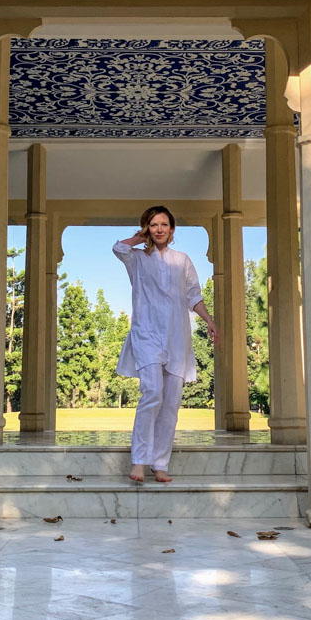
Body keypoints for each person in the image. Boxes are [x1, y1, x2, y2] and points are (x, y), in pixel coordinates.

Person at [113, 206, 219, 484]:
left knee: (171, 402)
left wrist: (209, 319)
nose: (159, 229)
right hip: (146, 334)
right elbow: (117, 247)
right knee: (152, 392)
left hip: (176, 336)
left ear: (172, 230)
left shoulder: (182, 260)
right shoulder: (136, 258)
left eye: (163, 224)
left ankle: (160, 464)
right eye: (153, 224)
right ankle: (139, 461)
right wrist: (139, 237)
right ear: (147, 228)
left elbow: (193, 295)